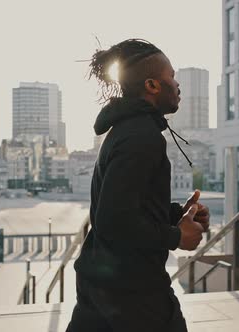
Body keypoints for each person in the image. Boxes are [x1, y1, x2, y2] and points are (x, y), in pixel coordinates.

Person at [66, 39, 210, 332]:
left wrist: (174, 214)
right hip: (132, 290)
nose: (178, 84)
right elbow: (112, 220)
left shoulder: (129, 130)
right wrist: (176, 236)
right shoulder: (141, 136)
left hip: (109, 281)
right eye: (172, 76)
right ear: (152, 85)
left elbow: (126, 206)